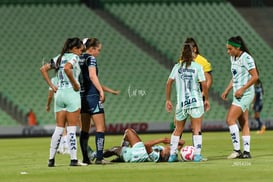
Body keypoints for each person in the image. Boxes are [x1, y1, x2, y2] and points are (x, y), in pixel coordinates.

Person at [40, 37, 87, 167]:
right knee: (71, 129)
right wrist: (75, 83)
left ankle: (51, 160)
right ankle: (73, 160)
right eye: (80, 48)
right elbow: (67, 68)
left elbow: (43, 69)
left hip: (59, 94)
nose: (80, 51)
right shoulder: (74, 57)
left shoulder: (58, 57)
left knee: (59, 128)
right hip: (71, 93)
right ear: (74, 48)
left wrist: (51, 85)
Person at [166, 43, 210, 162]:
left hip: (181, 103)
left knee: (178, 129)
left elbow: (168, 83)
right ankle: (197, 155)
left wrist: (168, 100)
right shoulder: (197, 67)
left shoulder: (177, 67)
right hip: (195, 102)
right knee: (197, 128)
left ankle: (172, 155)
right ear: (193, 54)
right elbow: (204, 83)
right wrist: (206, 99)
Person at [79, 38, 120, 165]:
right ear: (91, 49)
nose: (98, 53)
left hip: (81, 97)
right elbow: (92, 76)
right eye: (98, 50)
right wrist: (101, 92)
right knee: (100, 128)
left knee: (85, 129)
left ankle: (86, 158)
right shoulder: (91, 59)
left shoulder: (78, 59)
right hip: (92, 96)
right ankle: (100, 157)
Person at [221, 36, 259, 159]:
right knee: (243, 121)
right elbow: (235, 76)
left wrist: (242, 89)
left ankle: (237, 151)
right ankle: (247, 152)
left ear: (238, 48)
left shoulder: (246, 58)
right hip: (237, 93)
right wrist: (227, 89)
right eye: (227, 49)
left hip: (245, 93)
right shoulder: (233, 57)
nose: (228, 51)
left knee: (230, 119)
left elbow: (255, 77)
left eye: (230, 49)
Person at [102, 128, 185, 162]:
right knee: (129, 131)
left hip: (133, 154)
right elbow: (182, 142)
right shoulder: (170, 153)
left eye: (169, 149)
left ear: (165, 154)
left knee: (114, 149)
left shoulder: (156, 156)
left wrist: (162, 140)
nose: (170, 148)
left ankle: (96, 155)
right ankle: (120, 157)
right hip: (139, 148)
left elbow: (146, 145)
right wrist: (170, 140)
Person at [46, 76, 69, 155]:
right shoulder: (68, 77)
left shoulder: (54, 79)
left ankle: (65, 146)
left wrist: (48, 105)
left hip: (59, 103)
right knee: (66, 126)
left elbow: (50, 95)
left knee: (60, 126)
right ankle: (62, 146)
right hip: (69, 102)